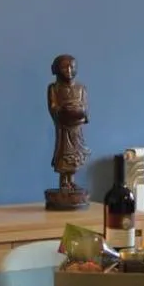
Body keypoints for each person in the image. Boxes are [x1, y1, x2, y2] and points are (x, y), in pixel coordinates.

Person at [47, 54, 89, 193]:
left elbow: (85, 108)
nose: (69, 70)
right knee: (64, 154)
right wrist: (63, 111)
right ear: (56, 70)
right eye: (65, 67)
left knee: (76, 155)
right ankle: (64, 182)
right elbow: (53, 107)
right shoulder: (54, 88)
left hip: (77, 128)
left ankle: (72, 181)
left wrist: (79, 112)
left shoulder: (81, 88)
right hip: (64, 128)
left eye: (72, 67)